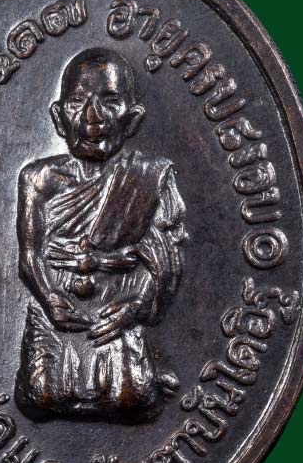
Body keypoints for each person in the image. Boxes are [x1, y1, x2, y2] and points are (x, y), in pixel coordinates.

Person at [15, 48, 186, 422]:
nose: (93, 117)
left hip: (117, 312)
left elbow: (166, 262)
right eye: (78, 102)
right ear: (59, 118)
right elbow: (29, 256)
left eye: (109, 102)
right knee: (40, 395)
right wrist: (49, 298)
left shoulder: (151, 177)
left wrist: (134, 307)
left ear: (132, 119)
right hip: (58, 310)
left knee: (133, 398)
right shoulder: (38, 180)